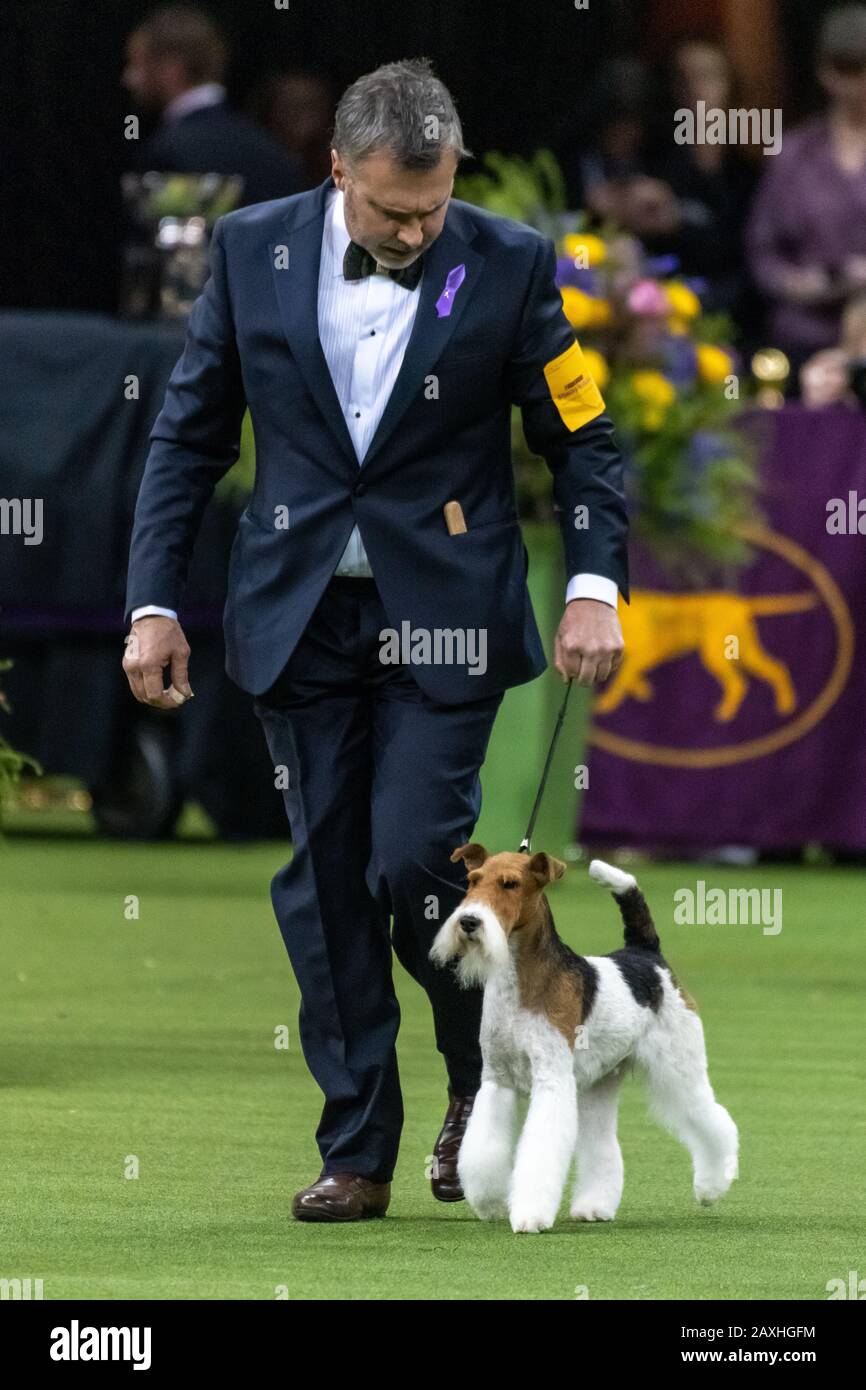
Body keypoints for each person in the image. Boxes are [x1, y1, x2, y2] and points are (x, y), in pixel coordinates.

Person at [122, 59, 627, 1223]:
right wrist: (154, 602)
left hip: (444, 616)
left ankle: (472, 1071)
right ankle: (357, 1147)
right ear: (336, 167)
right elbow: (189, 436)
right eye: (390, 209)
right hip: (297, 615)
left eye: (432, 207)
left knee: (411, 865)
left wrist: (593, 581)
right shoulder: (251, 251)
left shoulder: (507, 261)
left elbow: (585, 439)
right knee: (324, 891)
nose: (412, 231)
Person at [747, 4, 866, 368]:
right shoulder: (796, 153)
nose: (855, 84)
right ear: (822, 70)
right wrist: (794, 283)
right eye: (843, 69)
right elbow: (762, 250)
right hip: (805, 339)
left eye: (863, 69)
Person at [123, 5, 299, 206]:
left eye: (136, 64)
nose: (128, 79)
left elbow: (160, 234)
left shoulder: (168, 153)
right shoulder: (272, 150)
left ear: (171, 68)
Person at [247, 70, 334, 190]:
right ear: (269, 110)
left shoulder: (339, 167)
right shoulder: (252, 163)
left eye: (310, 106)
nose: (300, 115)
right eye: (290, 106)